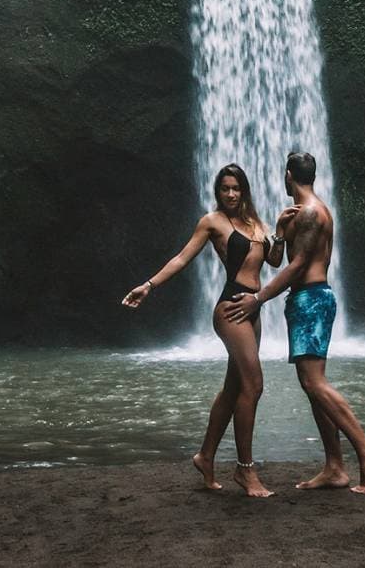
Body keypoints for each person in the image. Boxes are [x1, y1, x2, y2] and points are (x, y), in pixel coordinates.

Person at [121, 163, 294, 497]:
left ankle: (205, 456)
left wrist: (281, 233)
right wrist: (149, 285)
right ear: (218, 192)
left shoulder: (256, 223)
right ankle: (246, 471)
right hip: (230, 308)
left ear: (244, 190)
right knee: (254, 385)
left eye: (235, 188)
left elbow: (273, 262)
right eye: (224, 188)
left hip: (252, 309)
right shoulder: (212, 221)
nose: (230, 194)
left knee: (234, 390)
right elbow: (182, 258)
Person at [225, 151, 365, 494]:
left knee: (315, 383)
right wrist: (280, 231)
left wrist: (259, 298)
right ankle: (335, 467)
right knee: (311, 385)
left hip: (312, 300)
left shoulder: (312, 212)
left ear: (288, 175)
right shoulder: (303, 214)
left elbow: (297, 266)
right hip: (305, 301)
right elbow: (279, 258)